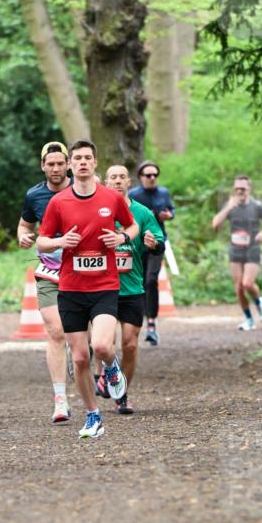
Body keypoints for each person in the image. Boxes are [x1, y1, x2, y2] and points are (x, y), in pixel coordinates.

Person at [37, 140, 139, 439]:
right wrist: (60, 242)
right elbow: (41, 241)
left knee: (103, 345)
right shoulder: (59, 202)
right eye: (77, 158)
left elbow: (132, 226)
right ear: (71, 165)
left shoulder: (112, 198)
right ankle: (93, 415)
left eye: (87, 158)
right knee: (80, 358)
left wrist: (121, 238)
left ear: (95, 164)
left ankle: (111, 367)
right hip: (71, 288)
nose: (82, 162)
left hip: (105, 285)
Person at [100, 164, 165, 415]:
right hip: (102, 288)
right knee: (105, 344)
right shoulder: (97, 210)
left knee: (130, 345)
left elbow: (159, 241)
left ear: (129, 182)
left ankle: (122, 394)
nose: (117, 181)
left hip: (132, 288)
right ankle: (106, 372)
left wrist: (153, 243)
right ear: (106, 183)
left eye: (122, 177)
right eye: (113, 177)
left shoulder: (142, 213)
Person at [17, 141, 72, 424]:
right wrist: (23, 236)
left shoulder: (83, 190)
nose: (55, 168)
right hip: (50, 271)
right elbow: (25, 225)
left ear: (68, 164)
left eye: (60, 163)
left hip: (83, 271)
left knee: (82, 335)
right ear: (42, 166)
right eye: (50, 164)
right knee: (56, 331)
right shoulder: (34, 195)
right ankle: (60, 400)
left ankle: (85, 356)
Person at [211, 174, 262, 330]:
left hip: (252, 248)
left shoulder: (256, 206)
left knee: (247, 283)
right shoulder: (230, 206)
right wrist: (228, 208)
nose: (240, 191)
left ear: (249, 189)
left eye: (243, 189)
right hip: (235, 249)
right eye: (237, 189)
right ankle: (249, 319)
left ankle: (259, 301)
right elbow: (215, 224)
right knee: (239, 287)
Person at [129, 160, 175, 345]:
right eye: (148, 175)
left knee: (151, 280)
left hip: (157, 243)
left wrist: (169, 215)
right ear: (140, 177)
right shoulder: (133, 195)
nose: (152, 178)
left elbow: (171, 209)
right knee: (139, 281)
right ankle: (135, 320)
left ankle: (151, 323)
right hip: (137, 244)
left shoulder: (163, 192)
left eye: (155, 175)